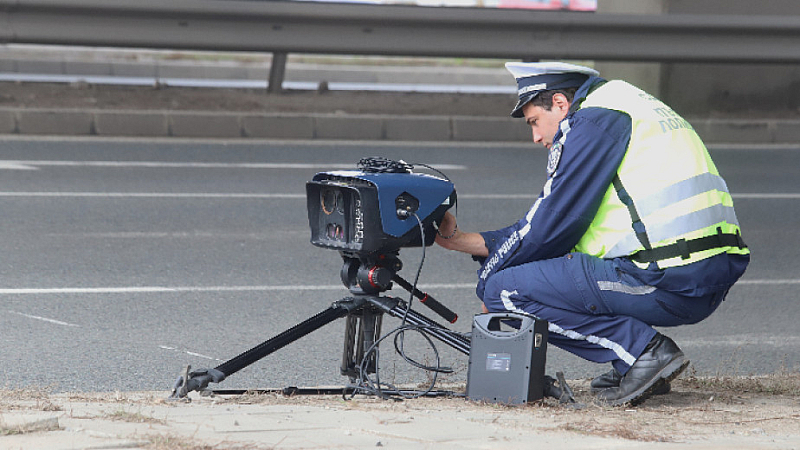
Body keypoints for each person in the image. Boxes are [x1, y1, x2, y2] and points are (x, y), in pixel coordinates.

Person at [435, 61, 750, 406]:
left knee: (503, 292)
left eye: (535, 122)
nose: (537, 138)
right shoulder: (629, 103)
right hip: (702, 277)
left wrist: (491, 278)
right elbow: (552, 229)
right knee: (537, 273)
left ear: (559, 103)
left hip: (664, 279)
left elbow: (548, 226)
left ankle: (642, 353)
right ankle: (638, 362)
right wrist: (458, 240)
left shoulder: (594, 121)